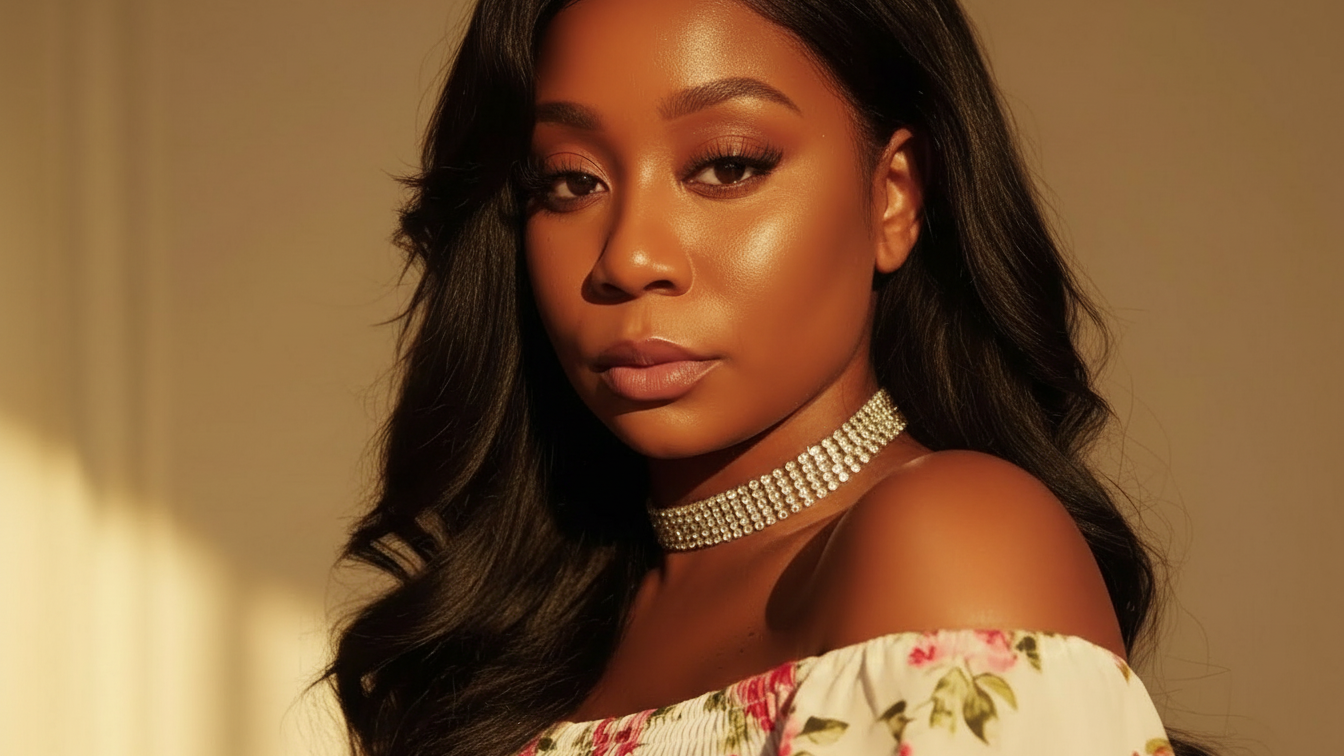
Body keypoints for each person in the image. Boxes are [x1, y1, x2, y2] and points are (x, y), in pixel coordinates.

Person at [325, 0, 1212, 755]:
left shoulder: (951, 542)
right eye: (569, 182)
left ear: (893, 196)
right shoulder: (527, 628)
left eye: (728, 165)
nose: (629, 257)